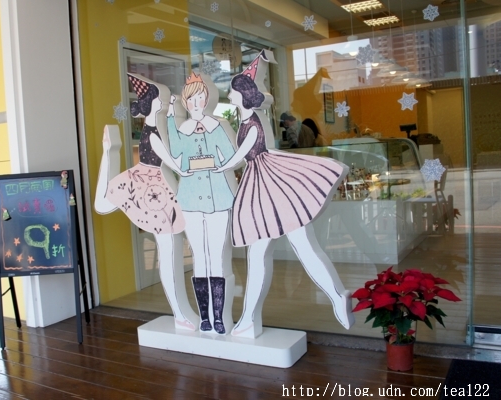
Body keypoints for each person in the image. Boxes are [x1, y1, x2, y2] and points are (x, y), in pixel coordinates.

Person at [214, 50, 355, 338]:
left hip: (267, 185)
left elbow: (241, 155)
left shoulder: (252, 122)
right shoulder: (247, 120)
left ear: (243, 94)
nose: (228, 95)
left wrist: (217, 166)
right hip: (266, 184)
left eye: (232, 91)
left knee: (274, 250)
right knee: (283, 249)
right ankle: (335, 296)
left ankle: (251, 319)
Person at [94, 73, 198, 331]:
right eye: (161, 99)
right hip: (150, 187)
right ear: (152, 103)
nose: (166, 102)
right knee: (168, 249)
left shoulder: (159, 126)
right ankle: (180, 313)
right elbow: (173, 159)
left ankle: (181, 313)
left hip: (156, 185)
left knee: (170, 249)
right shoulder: (154, 132)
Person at [166, 71, 238, 334]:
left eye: (200, 98)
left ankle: (219, 318)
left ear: (207, 99)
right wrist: (171, 117)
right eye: (191, 100)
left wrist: (216, 163)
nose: (196, 104)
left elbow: (230, 155)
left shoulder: (217, 126)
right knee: (199, 256)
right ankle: (204, 317)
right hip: (190, 199)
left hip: (219, 197)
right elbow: (176, 154)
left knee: (217, 256)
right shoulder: (181, 130)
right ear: (185, 102)